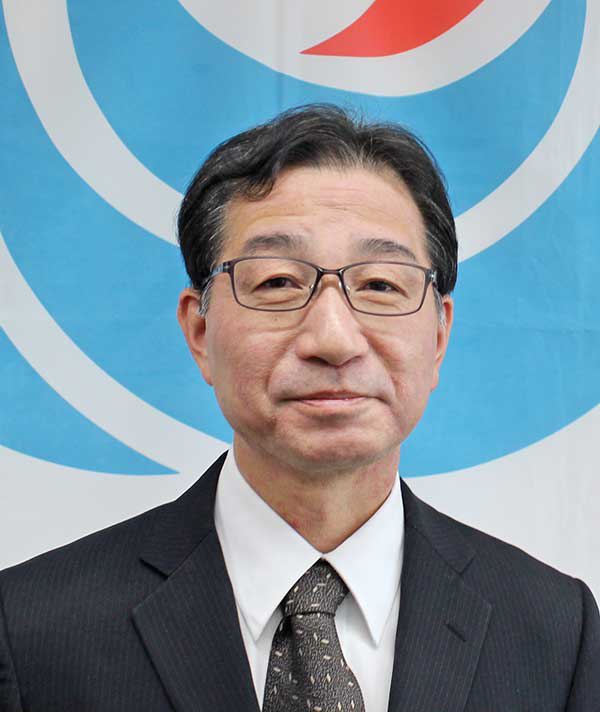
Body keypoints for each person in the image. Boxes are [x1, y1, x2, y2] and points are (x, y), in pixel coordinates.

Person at [0, 105, 598, 711]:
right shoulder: (30, 631)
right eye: (278, 282)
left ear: (439, 335)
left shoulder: (556, 635)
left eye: (380, 285)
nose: (333, 339)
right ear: (200, 332)